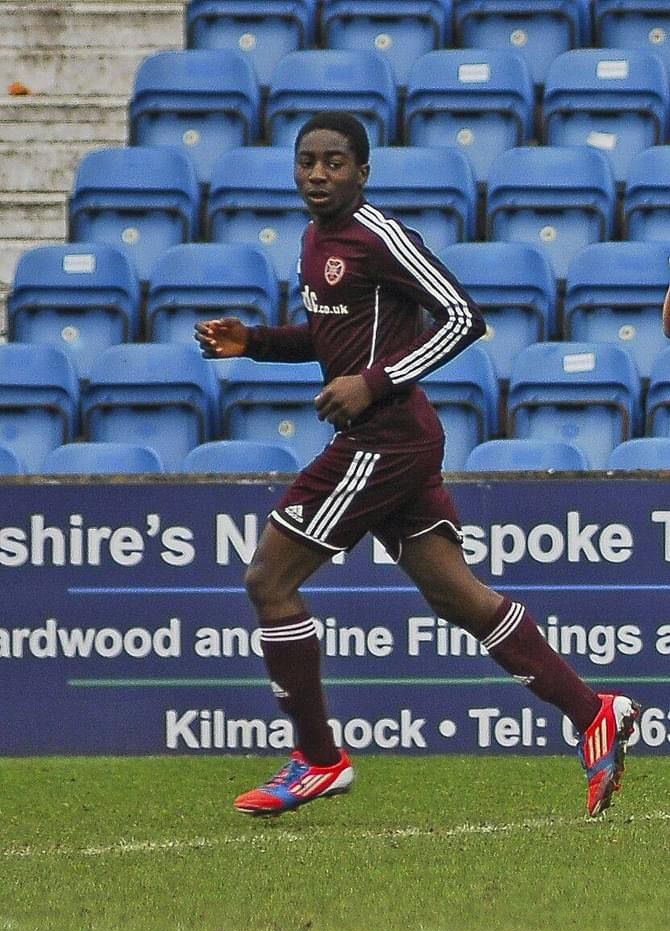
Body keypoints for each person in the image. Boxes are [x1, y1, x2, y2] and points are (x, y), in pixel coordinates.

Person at [196, 111, 640, 818]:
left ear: (362, 172)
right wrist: (254, 342)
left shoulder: (379, 235)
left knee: (268, 579)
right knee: (456, 596)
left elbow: (465, 317)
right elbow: (328, 335)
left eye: (335, 162)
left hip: (385, 439)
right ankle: (594, 713)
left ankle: (318, 759)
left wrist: (373, 383)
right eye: (307, 161)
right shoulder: (315, 241)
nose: (318, 173)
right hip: (396, 439)